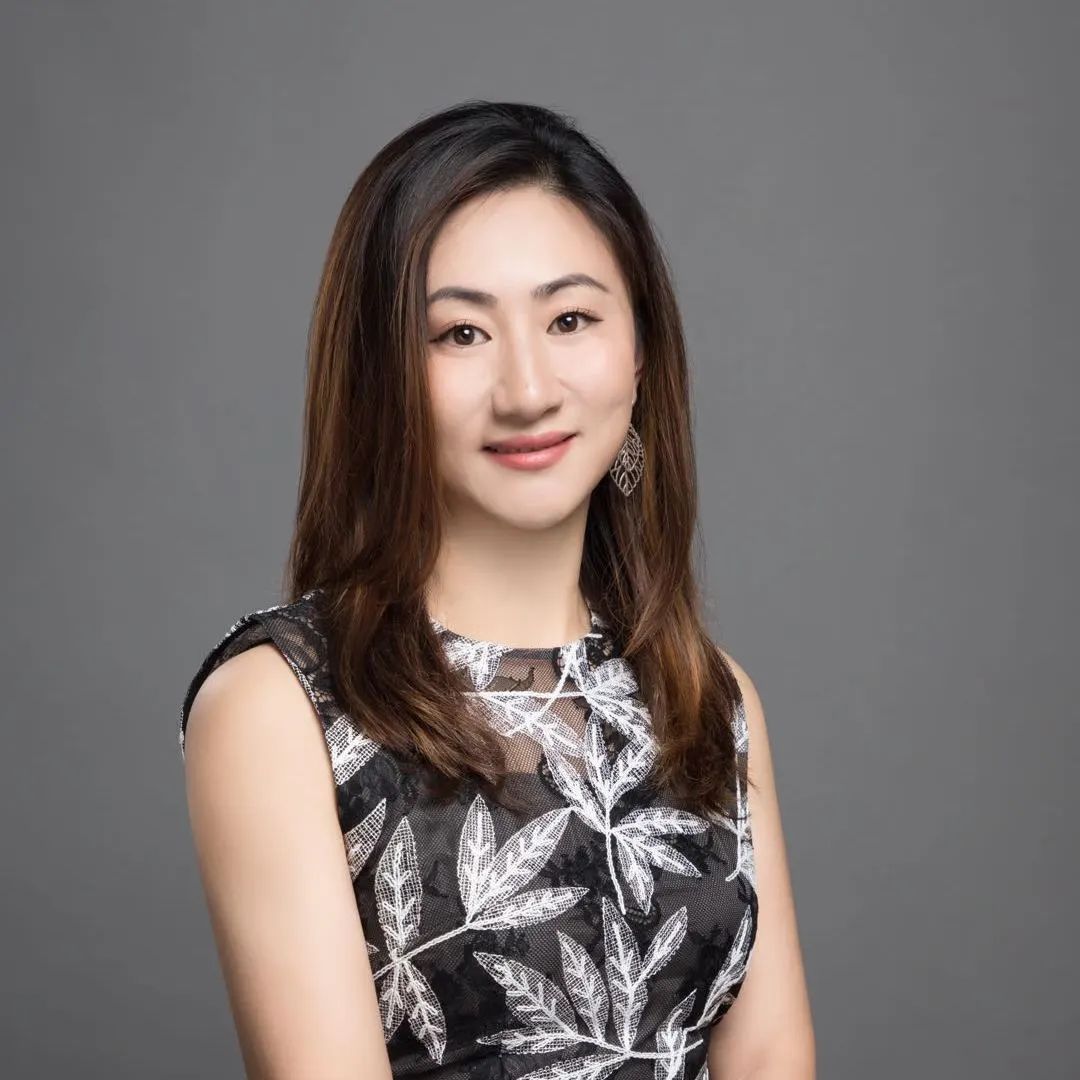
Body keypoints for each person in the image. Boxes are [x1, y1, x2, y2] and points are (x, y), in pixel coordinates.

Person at [178, 100, 815, 1079]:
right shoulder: (281, 705)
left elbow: (771, 1056)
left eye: (571, 320)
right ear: (382, 375)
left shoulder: (709, 699)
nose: (527, 390)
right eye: (461, 333)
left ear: (640, 353)